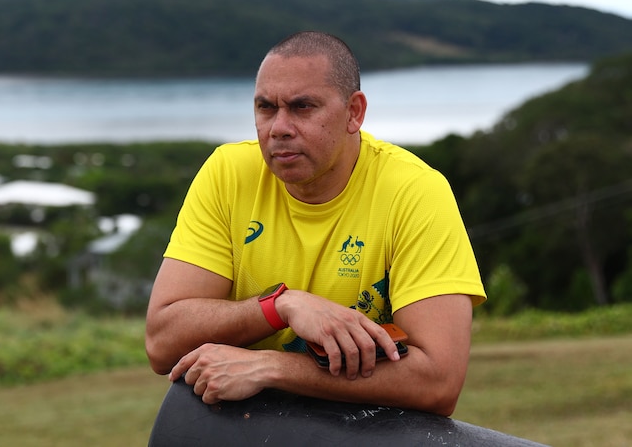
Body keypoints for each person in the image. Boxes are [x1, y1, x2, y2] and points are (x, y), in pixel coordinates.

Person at [145, 31, 486, 417]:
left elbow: (439, 382)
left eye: (303, 107)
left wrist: (271, 368)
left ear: (354, 113)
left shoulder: (415, 191)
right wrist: (281, 307)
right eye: (266, 108)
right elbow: (162, 344)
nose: (279, 128)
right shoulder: (228, 174)